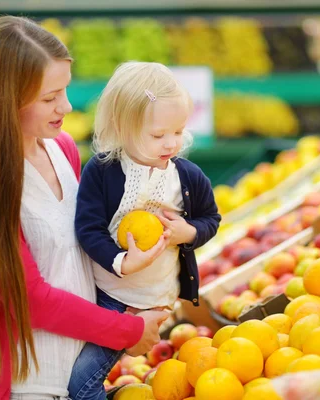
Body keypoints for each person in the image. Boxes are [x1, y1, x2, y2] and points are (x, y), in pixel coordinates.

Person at [0, 16, 167, 400]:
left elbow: (81, 247)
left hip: (82, 373)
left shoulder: (62, 148)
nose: (65, 106)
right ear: (5, 98)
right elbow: (28, 299)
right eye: (49, 98)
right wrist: (128, 331)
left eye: (64, 91)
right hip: (28, 383)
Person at [70, 61, 221, 399]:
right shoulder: (103, 170)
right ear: (122, 127)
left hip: (149, 301)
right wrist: (122, 261)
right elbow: (88, 226)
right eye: (158, 135)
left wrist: (189, 233)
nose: (171, 143)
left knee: (81, 383)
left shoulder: (187, 176)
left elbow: (211, 219)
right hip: (101, 292)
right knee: (75, 375)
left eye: (179, 131)